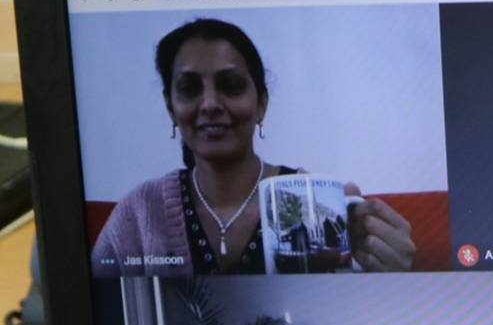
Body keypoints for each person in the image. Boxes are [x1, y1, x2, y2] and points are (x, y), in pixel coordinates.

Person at [91, 17, 415, 275]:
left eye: (230, 85)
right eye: (189, 89)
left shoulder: (312, 200)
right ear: (170, 108)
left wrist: (382, 269)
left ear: (261, 104)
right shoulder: (140, 212)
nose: (209, 104)